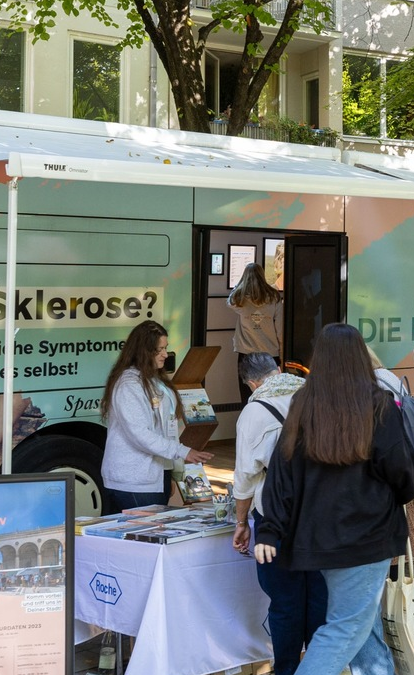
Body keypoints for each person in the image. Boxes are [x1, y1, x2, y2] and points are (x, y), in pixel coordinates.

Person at [255, 323, 414, 675]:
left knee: (362, 626)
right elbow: (403, 472)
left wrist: (270, 528)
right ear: (361, 357)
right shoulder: (378, 406)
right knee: (345, 628)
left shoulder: (303, 405)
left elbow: (281, 473)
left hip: (319, 538)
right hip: (366, 536)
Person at [232, 352, 326, 675]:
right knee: (318, 593)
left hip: (276, 517)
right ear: (277, 370)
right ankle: (318, 666)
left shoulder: (254, 412)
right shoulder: (314, 396)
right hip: (319, 511)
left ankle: (286, 668)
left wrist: (241, 522)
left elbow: (245, 478)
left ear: (251, 383)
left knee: (285, 600)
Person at [100, 320, 213, 512]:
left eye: (165, 348)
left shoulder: (153, 378)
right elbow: (139, 434)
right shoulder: (128, 385)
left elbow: (165, 429)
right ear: (143, 351)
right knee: (147, 529)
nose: (165, 354)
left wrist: (169, 472)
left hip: (155, 475)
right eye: (159, 350)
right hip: (134, 481)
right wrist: (182, 451)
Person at [368, 347, 414, 558]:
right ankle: (405, 557)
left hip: (392, 465)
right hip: (405, 455)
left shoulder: (373, 384)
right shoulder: (386, 375)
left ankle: (397, 562)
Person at [228, 262, 284, 403]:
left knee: (247, 398)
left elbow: (230, 300)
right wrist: (283, 354)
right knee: (272, 397)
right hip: (270, 354)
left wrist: (240, 284)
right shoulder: (274, 297)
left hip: (246, 354)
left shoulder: (240, 299)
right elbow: (280, 330)